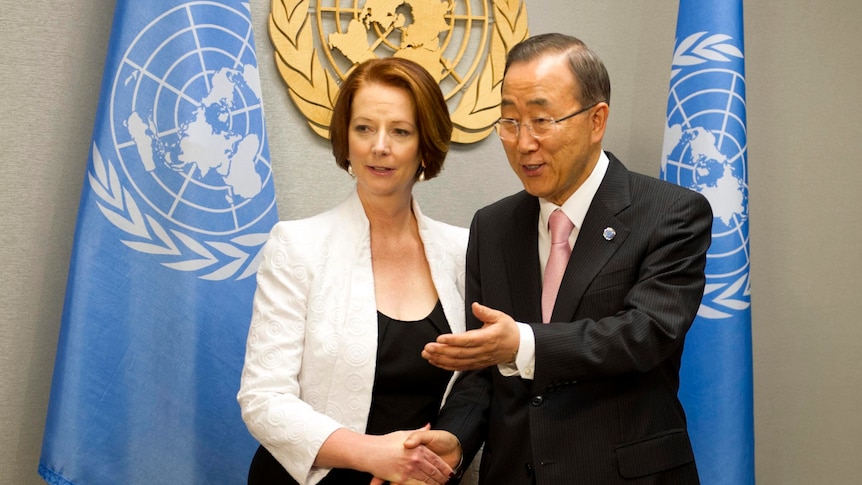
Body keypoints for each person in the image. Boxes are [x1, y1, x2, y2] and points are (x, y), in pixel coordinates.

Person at [409, 33, 713, 484]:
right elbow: (484, 368)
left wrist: (524, 344)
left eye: (541, 120)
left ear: (596, 120)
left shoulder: (670, 212)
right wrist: (454, 439)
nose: (523, 142)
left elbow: (645, 334)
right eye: (509, 122)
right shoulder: (493, 227)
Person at [237, 57, 469, 485]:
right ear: (346, 138)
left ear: (425, 144)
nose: (379, 146)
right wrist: (375, 455)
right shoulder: (297, 246)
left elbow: (479, 387)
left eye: (400, 131)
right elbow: (262, 399)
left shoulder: (464, 253)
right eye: (364, 128)